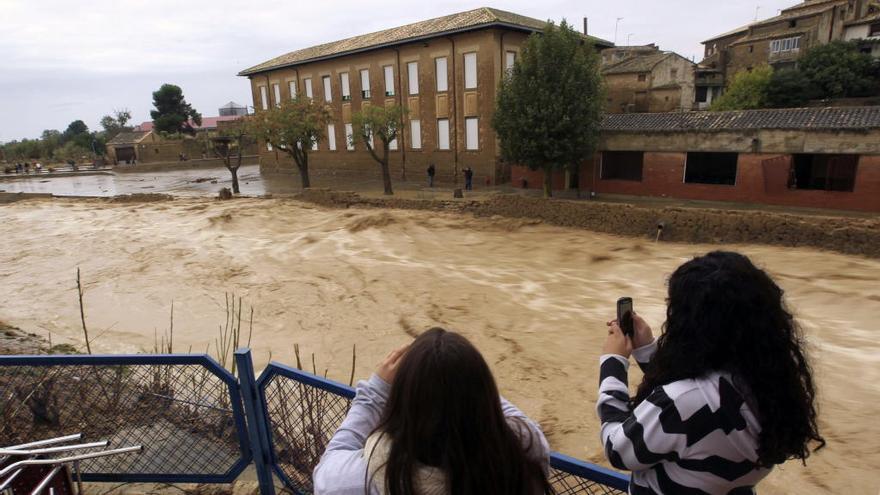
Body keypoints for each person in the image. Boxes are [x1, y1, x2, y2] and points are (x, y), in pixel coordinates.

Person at [597, 251, 824, 494]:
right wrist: (647, 351)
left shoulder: (680, 403)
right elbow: (699, 394)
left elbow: (618, 449)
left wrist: (614, 361)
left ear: (691, 323)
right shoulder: (771, 384)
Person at [314, 327, 551, 494]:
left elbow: (326, 470)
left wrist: (376, 391)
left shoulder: (365, 478)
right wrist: (461, 376)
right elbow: (508, 417)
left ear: (401, 405)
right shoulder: (525, 453)